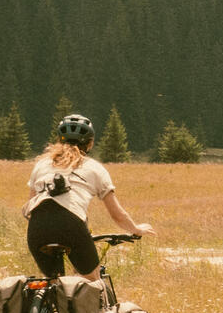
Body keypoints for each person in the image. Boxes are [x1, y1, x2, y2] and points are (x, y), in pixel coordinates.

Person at [23, 113, 145, 282]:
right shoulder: (94, 168)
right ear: (90, 143)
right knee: (91, 281)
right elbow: (117, 214)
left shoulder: (41, 165)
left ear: (60, 140)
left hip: (37, 227)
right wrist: (137, 230)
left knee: (53, 283)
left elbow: (30, 206)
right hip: (71, 224)